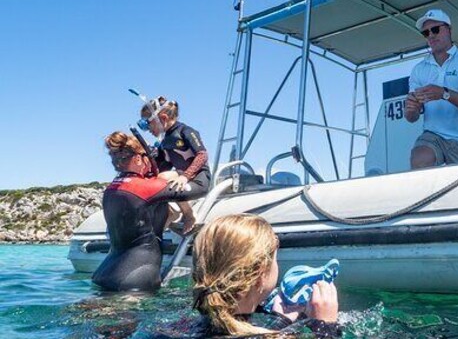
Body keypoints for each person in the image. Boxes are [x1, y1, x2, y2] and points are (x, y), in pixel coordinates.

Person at [92, 132, 208, 292]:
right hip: (135, 280)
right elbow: (202, 187)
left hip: (105, 273)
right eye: (149, 156)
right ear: (139, 159)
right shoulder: (147, 188)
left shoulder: (112, 189)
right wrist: (200, 163)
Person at [191, 213, 340, 337]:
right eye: (275, 259)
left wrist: (282, 320)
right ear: (261, 272)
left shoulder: (187, 326)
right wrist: (326, 327)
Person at [404, 8, 458, 169]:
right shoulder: (418, 69)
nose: (431, 35)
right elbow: (411, 117)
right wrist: (411, 109)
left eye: (435, 29)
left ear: (449, 29)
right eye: (426, 33)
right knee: (420, 159)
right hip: (433, 135)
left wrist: (443, 93)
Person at [140, 97, 210, 234]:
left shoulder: (186, 131)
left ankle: (189, 215)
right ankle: (170, 214)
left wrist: (185, 176)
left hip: (199, 180)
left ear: (164, 118)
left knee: (163, 177)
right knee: (151, 181)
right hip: (181, 178)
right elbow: (159, 167)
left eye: (148, 124)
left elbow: (202, 155)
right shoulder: (164, 141)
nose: (147, 129)